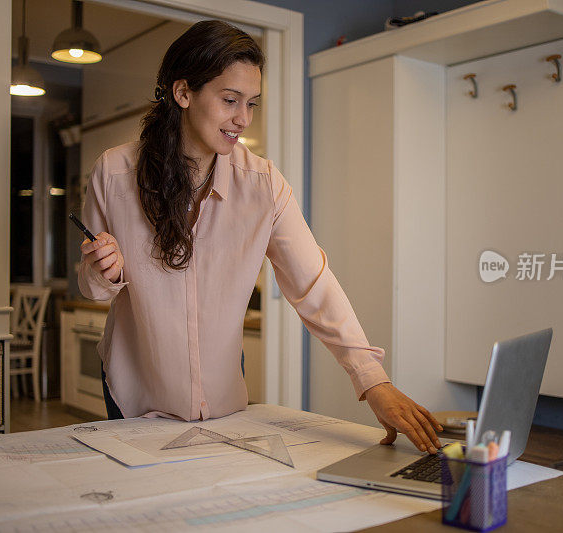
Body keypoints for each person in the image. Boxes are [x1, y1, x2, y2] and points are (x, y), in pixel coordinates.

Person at [78, 20, 443, 454]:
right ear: (183, 93)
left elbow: (315, 285)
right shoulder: (114, 173)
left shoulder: (263, 184)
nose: (243, 119)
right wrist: (102, 271)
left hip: (222, 402)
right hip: (132, 396)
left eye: (251, 103)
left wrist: (371, 380)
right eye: (230, 100)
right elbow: (92, 289)